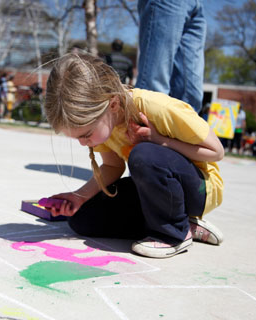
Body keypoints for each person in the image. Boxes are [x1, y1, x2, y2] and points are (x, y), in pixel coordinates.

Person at [43, 53, 224, 259]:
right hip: (159, 191)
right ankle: (186, 223)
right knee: (82, 218)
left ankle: (175, 234)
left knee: (143, 154)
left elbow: (216, 152)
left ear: (112, 105)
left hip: (200, 189)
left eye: (85, 135)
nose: (83, 143)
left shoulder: (156, 108)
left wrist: (158, 139)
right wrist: (79, 197)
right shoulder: (106, 122)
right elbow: (113, 167)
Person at [135, 0, 206, 113]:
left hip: (198, 4)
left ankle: (179, 129)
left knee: (191, 96)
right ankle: (144, 126)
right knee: (154, 91)